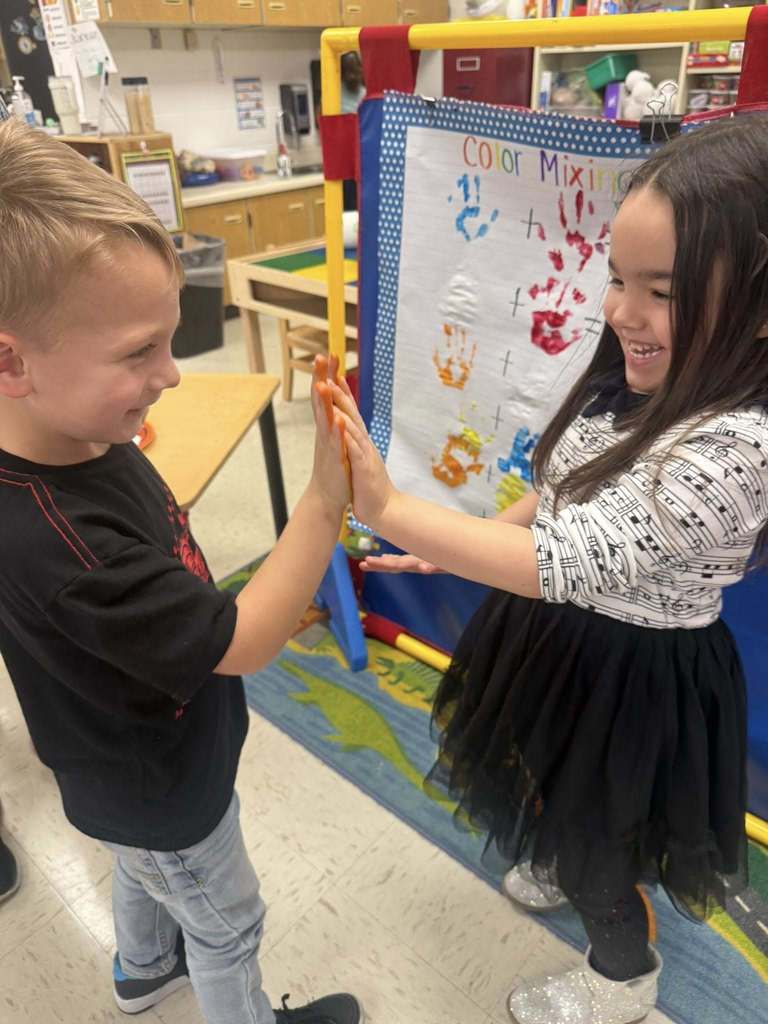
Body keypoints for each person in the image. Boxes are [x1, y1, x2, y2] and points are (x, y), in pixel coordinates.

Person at [326, 113, 768, 1024]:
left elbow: (576, 556)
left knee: (599, 838)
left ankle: (623, 977)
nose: (620, 311)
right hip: (554, 634)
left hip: (635, 676)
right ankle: (562, 848)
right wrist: (460, 536)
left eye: (662, 290)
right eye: (617, 278)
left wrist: (391, 509)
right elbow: (565, 491)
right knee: (538, 772)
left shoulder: (739, 446)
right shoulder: (639, 374)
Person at [0, 117, 360, 1024]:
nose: (170, 374)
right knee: (229, 924)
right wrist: (324, 501)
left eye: (168, 340)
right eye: (137, 353)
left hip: (121, 773)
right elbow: (239, 642)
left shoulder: (70, 433)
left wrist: (114, 402)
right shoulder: (65, 547)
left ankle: (139, 972)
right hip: (159, 784)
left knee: (141, 869)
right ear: (13, 362)